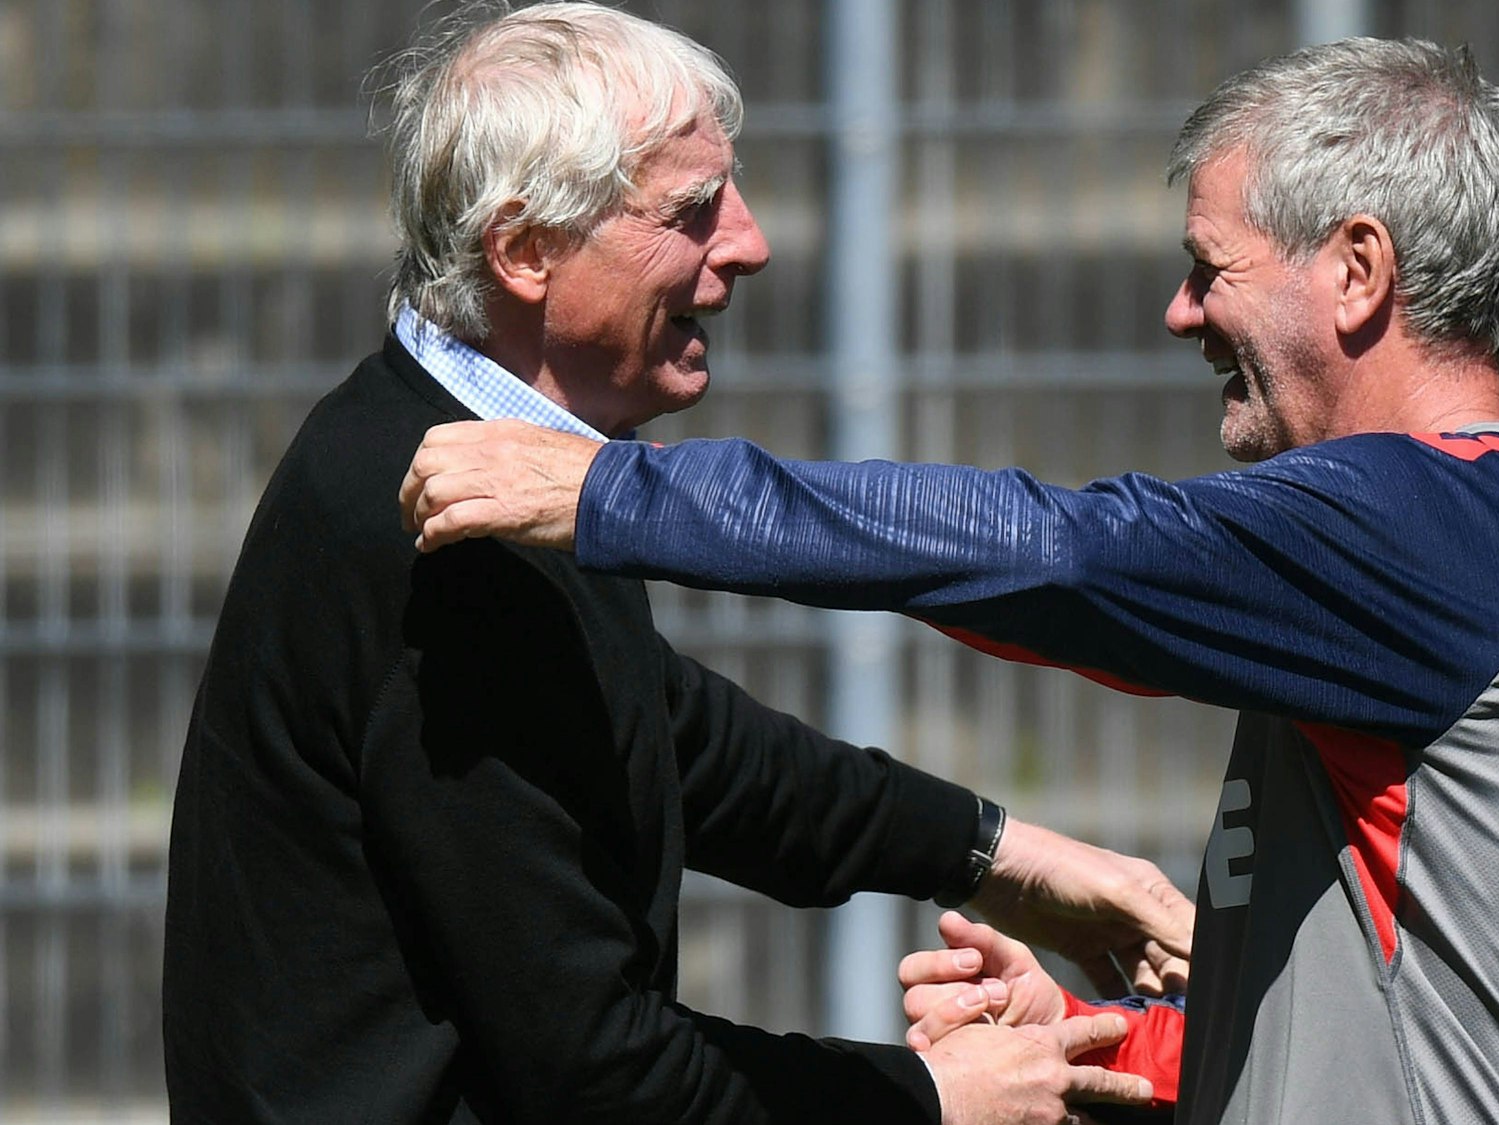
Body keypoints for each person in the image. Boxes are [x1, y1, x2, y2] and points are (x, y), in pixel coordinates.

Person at [400, 36, 1499, 1125]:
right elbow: (1399, 1032)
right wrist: (1104, 1044)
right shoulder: (1483, 533)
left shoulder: (1426, 528)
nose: (1178, 311)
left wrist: (617, 496)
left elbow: (1058, 554)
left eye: (1211, 268)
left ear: (1357, 272)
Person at [163, 5, 1194, 1124]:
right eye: (691, 212)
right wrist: (929, 1098)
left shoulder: (478, 452)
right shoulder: (454, 554)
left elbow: (671, 735)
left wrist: (998, 855)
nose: (748, 242)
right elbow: (594, 1077)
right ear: (524, 251)